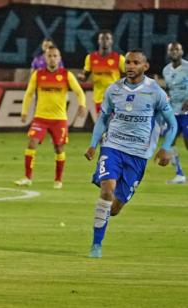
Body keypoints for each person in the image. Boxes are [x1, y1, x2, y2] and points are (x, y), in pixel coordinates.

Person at [85, 49, 177, 258]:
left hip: (138, 155)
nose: (130, 66)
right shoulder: (113, 90)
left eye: (135, 63)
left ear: (145, 66)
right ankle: (96, 244)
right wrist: (93, 144)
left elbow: (172, 125)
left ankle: (105, 217)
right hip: (113, 147)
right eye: (128, 62)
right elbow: (103, 118)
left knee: (115, 208)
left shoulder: (155, 92)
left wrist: (166, 147)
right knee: (107, 190)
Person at [15, 46, 86, 189]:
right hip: (40, 118)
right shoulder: (38, 74)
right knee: (31, 144)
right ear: (45, 58)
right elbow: (29, 93)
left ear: (59, 58)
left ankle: (58, 180)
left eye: (55, 55)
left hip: (59, 119)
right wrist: (24, 112)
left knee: (59, 148)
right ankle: (27, 178)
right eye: (50, 56)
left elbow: (79, 92)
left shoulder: (66, 75)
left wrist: (82, 105)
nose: (52, 58)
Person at [78, 29, 125, 114]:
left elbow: (128, 76)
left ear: (112, 41)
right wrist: (82, 77)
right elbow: (85, 76)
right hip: (99, 98)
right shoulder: (90, 58)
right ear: (98, 41)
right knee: (102, 125)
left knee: (113, 125)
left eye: (107, 38)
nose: (105, 41)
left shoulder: (119, 58)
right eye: (102, 38)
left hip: (115, 98)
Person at [161, 42, 188, 184]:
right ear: (168, 52)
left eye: (177, 49)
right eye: (171, 49)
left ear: (182, 51)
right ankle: (180, 174)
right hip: (174, 112)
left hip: (187, 113)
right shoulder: (166, 70)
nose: (174, 51)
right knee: (169, 140)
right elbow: (169, 90)